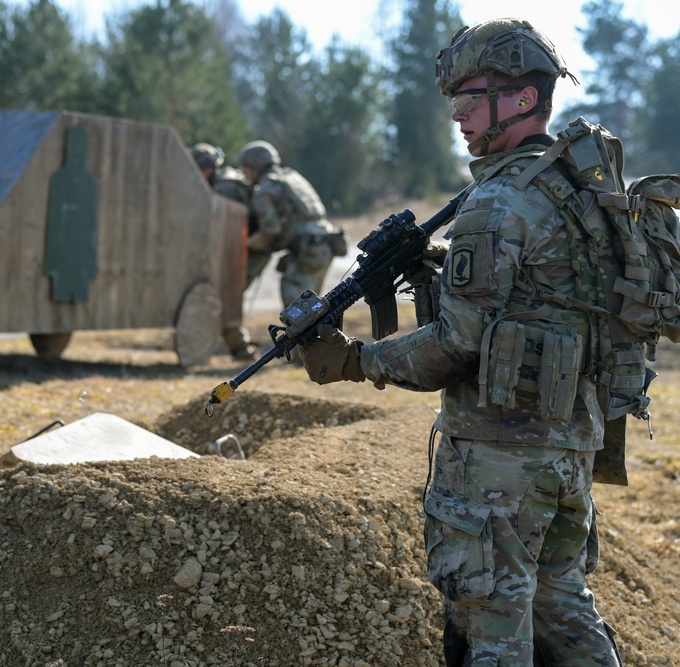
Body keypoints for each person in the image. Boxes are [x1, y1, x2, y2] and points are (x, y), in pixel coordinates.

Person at [299, 18, 623, 666]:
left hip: (499, 460)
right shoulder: (578, 188)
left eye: (471, 98)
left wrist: (357, 360)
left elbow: (455, 346)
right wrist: (443, 267)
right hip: (570, 446)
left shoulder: (496, 200)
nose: (457, 115)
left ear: (523, 99)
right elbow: (548, 289)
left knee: (494, 632)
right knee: (565, 611)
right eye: (454, 100)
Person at [236, 140, 348, 309]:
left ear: (255, 167)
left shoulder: (265, 191)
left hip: (308, 249)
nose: (244, 174)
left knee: (298, 310)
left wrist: (248, 243)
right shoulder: (291, 176)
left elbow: (271, 230)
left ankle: (317, 336)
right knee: (314, 307)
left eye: (246, 168)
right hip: (325, 242)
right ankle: (321, 335)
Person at [190, 143, 258, 360]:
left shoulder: (227, 188)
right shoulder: (217, 185)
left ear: (208, 169)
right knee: (220, 298)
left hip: (246, 249)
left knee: (224, 298)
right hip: (233, 248)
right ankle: (239, 349)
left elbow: (229, 228)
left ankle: (240, 349)